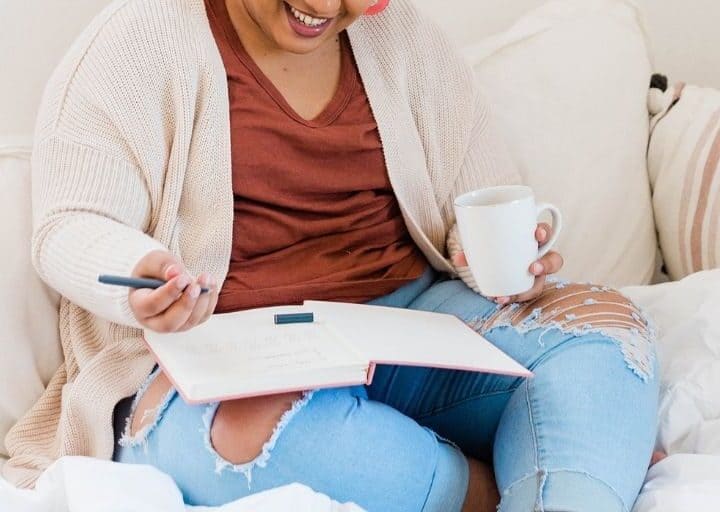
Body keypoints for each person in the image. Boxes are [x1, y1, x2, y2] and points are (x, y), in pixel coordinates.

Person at [4, 0, 660, 510]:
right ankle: (506, 483)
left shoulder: (406, 41)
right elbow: (70, 225)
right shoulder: (137, 41)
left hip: (407, 329)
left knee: (602, 327)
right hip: (223, 354)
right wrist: (139, 275)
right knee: (249, 440)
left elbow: (474, 198)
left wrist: (482, 252)